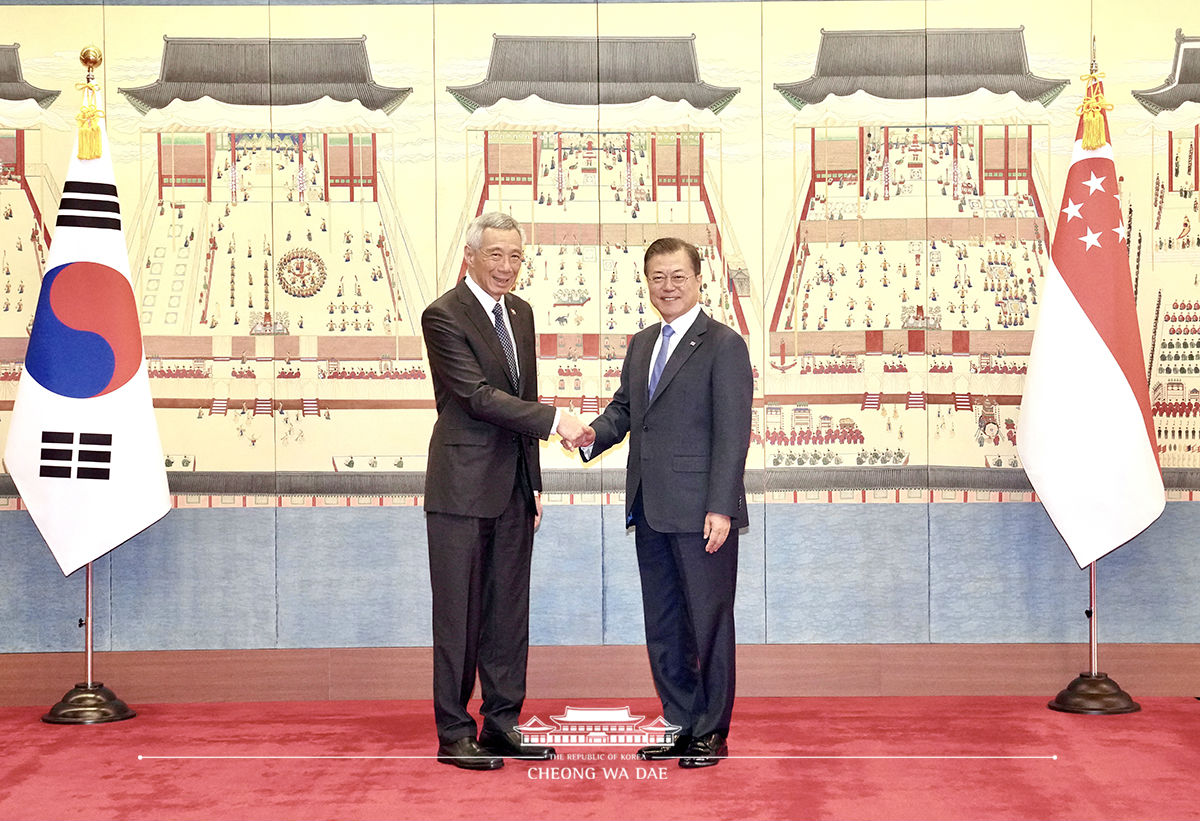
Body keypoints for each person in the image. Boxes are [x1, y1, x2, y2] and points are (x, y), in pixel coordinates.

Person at [422, 212, 589, 770]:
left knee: (506, 613)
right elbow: (475, 395)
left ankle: (502, 724)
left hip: (514, 489)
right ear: (469, 256)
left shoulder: (520, 313)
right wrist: (557, 419)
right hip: (461, 489)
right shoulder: (443, 315)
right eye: (495, 254)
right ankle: (453, 731)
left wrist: (534, 483)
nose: (506, 266)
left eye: (515, 256)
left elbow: (524, 394)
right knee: (459, 616)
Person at [578, 237, 753, 769]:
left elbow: (733, 434)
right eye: (658, 277)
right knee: (666, 624)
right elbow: (625, 410)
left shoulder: (723, 344)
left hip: (703, 513)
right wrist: (590, 433)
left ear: (699, 280)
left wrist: (721, 507)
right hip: (651, 509)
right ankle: (679, 722)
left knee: (709, 622)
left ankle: (710, 732)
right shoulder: (642, 342)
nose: (668, 287)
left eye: (678, 276)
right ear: (647, 282)